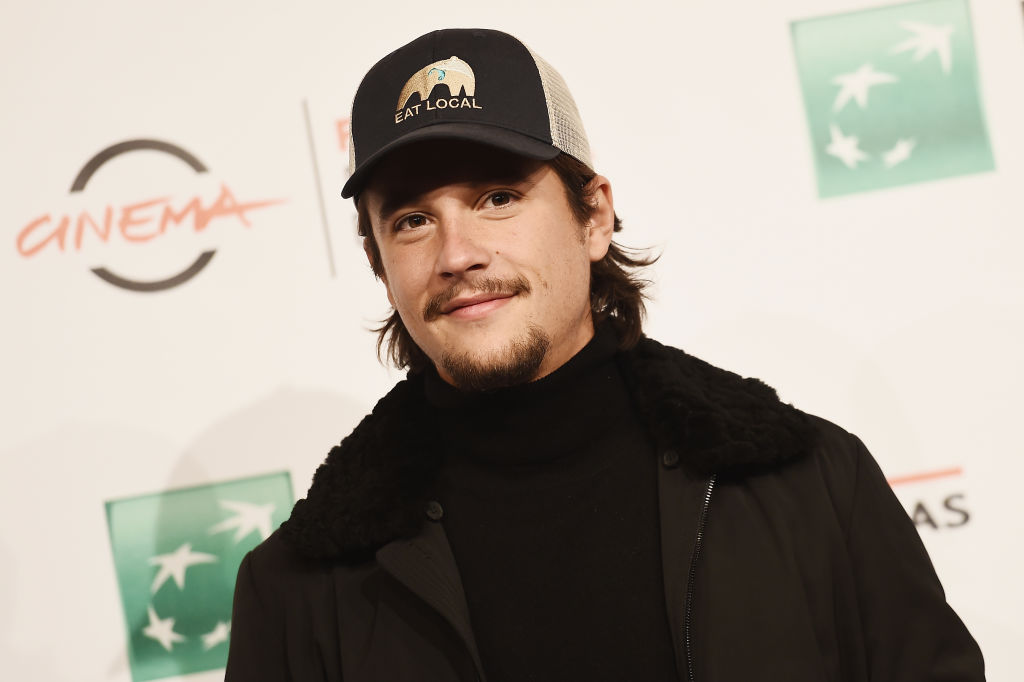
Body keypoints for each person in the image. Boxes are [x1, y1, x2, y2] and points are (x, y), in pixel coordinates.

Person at [225, 28, 984, 681]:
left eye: (498, 198)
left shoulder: (813, 483)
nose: (457, 254)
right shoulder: (298, 588)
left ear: (594, 215)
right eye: (414, 220)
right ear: (378, 263)